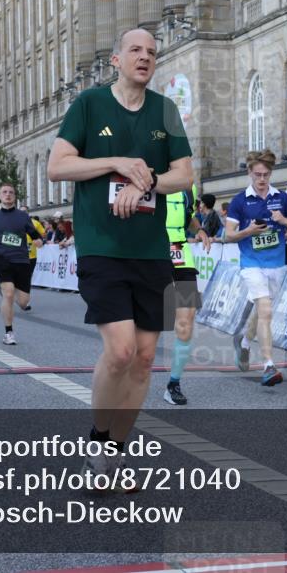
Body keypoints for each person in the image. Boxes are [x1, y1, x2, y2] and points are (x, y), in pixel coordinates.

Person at [47, 27, 193, 482]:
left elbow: (185, 174)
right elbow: (57, 166)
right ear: (116, 60)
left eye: (151, 52)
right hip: (102, 247)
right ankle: (97, 440)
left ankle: (114, 454)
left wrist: (147, 180)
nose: (145, 57)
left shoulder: (165, 110)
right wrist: (115, 163)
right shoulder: (89, 104)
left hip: (151, 251)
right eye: (135, 50)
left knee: (146, 358)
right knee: (122, 350)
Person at [225, 149, 287, 386]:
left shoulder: (282, 198)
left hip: (276, 264)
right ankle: (269, 365)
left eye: (266, 175)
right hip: (251, 264)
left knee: (262, 311)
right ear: (249, 173)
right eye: (257, 174)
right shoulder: (239, 201)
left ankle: (244, 342)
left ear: (271, 174)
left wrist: (284, 220)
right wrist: (248, 231)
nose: (261, 179)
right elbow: (229, 235)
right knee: (266, 311)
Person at [163, 186, 211, 405]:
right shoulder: (144, 174)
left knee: (187, 318)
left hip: (181, 253)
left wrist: (199, 230)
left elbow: (189, 216)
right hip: (150, 252)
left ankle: (174, 383)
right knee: (143, 322)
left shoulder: (188, 185)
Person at [0, 183, 44, 345]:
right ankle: (9, 333)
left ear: (14, 196)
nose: (8, 194)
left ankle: (9, 292)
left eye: (11, 192)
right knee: (8, 294)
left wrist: (39, 241)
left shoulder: (23, 216)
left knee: (23, 302)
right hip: (2, 260)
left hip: (21, 261)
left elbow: (35, 234)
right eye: (4, 192)